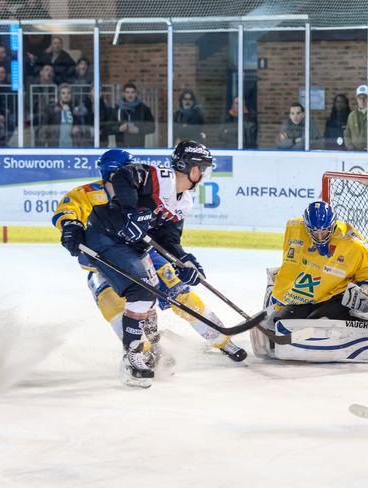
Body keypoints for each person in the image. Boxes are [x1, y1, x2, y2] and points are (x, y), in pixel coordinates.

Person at [56, 143, 246, 387]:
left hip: (141, 252)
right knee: (118, 312)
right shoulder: (91, 193)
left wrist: (182, 259)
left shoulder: (159, 193)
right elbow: (67, 210)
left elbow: (166, 235)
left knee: (176, 292)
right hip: (99, 265)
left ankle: (215, 339)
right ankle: (142, 352)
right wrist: (70, 226)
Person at [251, 201, 368, 362]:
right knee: (281, 323)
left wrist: (367, 293)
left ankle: (361, 321)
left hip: (337, 296)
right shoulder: (296, 230)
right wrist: (278, 299)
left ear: (333, 224)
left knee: (317, 324)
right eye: (314, 231)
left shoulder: (351, 243)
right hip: (309, 297)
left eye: (325, 230)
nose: (320, 236)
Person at [112, 82, 155, 148]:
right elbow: (109, 127)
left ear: (136, 93)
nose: (130, 95)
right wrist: (119, 128)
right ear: (123, 94)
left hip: (138, 147)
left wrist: (138, 130)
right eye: (127, 92)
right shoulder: (117, 109)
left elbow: (152, 127)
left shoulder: (143, 109)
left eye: (132, 92)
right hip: (121, 146)